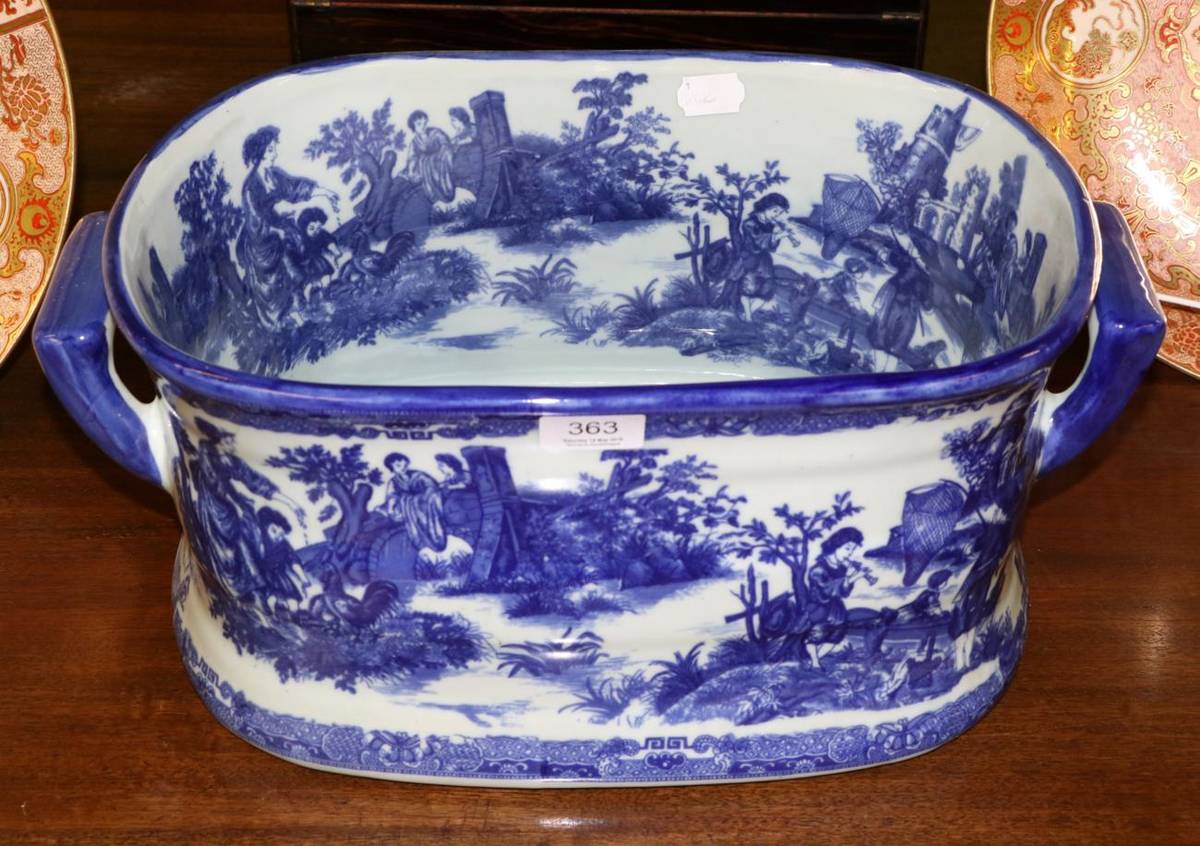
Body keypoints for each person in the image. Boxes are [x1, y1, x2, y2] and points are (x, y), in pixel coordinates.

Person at [235, 125, 339, 328]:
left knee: (298, 250)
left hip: (278, 228)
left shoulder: (274, 175)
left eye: (274, 148)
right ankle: (282, 319)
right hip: (261, 241)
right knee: (279, 276)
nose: (275, 153)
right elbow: (254, 219)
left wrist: (325, 192)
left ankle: (306, 301)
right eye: (270, 149)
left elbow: (295, 187)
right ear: (260, 153)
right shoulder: (250, 187)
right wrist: (276, 230)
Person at [718, 192, 798, 321]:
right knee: (748, 287)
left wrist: (777, 235)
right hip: (749, 259)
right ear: (764, 207)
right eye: (775, 211)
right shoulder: (749, 223)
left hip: (764, 261)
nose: (776, 215)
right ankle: (747, 316)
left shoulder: (771, 225)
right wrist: (776, 236)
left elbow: (771, 248)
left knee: (767, 290)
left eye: (780, 213)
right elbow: (757, 241)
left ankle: (747, 315)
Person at [803, 526, 874, 668]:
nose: (850, 554)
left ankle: (813, 661)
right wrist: (851, 578)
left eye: (852, 550)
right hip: (820, 607)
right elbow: (827, 590)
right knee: (816, 636)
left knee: (836, 637)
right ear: (835, 546)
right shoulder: (818, 569)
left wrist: (852, 577)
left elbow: (844, 593)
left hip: (836, 610)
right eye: (847, 549)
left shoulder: (842, 567)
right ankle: (815, 663)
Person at [382, 452, 447, 553]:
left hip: (424, 502)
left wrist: (421, 498)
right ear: (392, 468)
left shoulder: (418, 475)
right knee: (404, 505)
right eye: (398, 465)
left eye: (404, 464)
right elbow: (391, 496)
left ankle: (436, 538)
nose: (402, 467)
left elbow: (431, 486)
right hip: (408, 506)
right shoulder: (393, 481)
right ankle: (421, 543)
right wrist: (391, 507)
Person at [256, 506, 310, 610]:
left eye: (282, 535)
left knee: (293, 603)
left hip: (282, 579)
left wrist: (304, 580)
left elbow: (293, 561)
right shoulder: (257, 544)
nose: (279, 538)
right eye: (273, 531)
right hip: (264, 580)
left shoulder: (283, 545)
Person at [406, 110, 455, 205]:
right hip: (426, 166)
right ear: (413, 127)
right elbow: (412, 158)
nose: (423, 126)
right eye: (419, 124)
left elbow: (445, 144)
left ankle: (447, 190)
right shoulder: (414, 142)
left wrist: (439, 155)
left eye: (425, 123)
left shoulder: (436, 132)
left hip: (441, 160)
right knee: (423, 164)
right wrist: (411, 171)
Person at [448, 106, 482, 198]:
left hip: (473, 170)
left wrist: (459, 143)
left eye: (453, 120)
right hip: (462, 176)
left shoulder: (472, 128)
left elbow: (473, 138)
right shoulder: (456, 136)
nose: (451, 123)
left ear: (461, 119)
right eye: (451, 120)